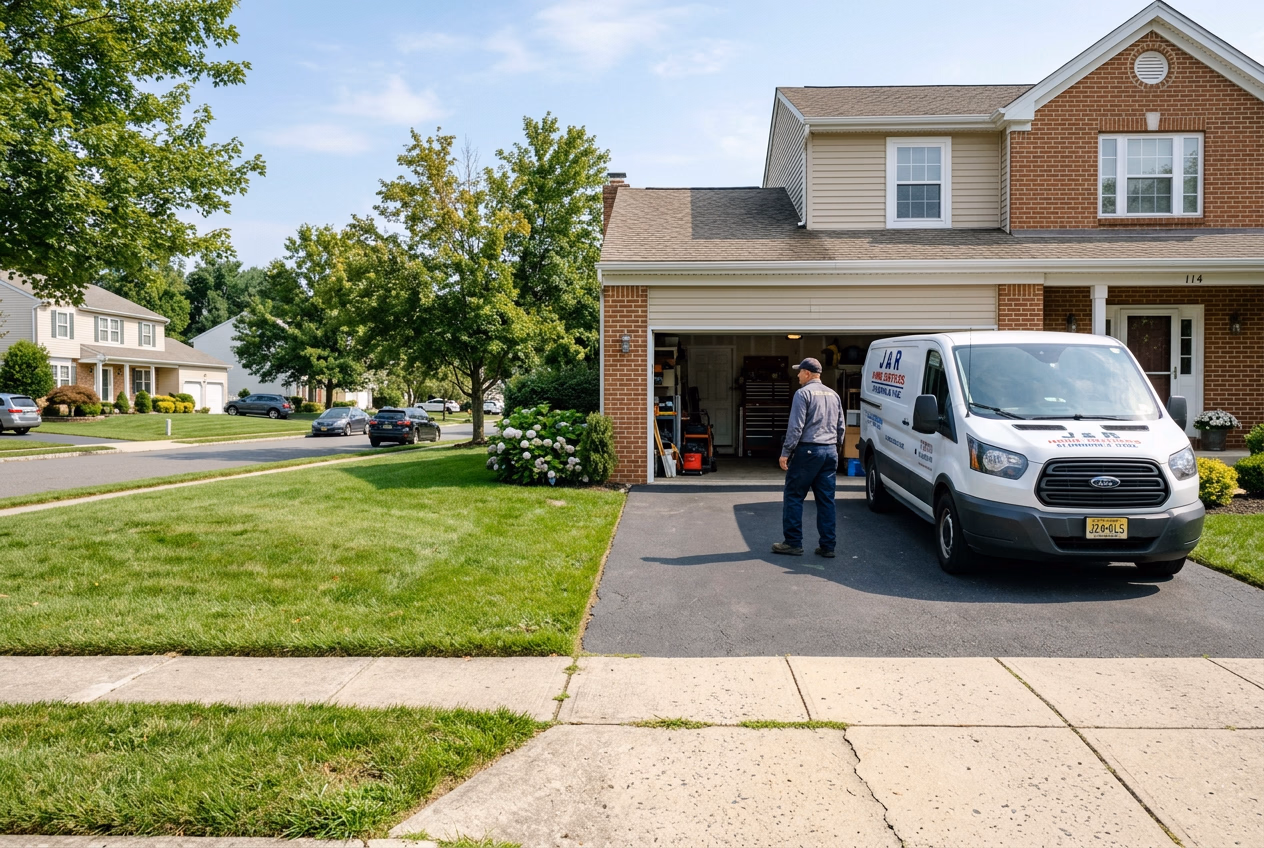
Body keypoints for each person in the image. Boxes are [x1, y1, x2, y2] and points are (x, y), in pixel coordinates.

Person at [773, 357, 846, 557]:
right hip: (829, 450)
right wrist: (835, 450)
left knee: (794, 496)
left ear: (807, 373)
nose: (797, 375)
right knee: (826, 500)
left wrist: (786, 452)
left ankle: (793, 543)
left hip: (808, 451)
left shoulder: (802, 393)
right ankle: (828, 546)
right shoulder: (834, 395)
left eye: (799, 372)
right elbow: (841, 427)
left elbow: (796, 427)